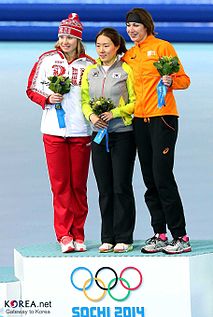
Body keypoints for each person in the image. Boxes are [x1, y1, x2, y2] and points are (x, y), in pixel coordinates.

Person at [123, 8, 191, 254]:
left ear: (146, 26)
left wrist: (172, 81)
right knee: (149, 179)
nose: (131, 30)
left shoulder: (163, 47)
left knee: (163, 177)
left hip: (163, 118)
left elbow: (184, 79)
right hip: (140, 121)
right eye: (128, 25)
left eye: (136, 25)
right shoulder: (129, 56)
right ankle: (159, 234)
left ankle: (180, 237)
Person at [26, 13, 95, 253]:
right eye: (62, 36)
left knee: (79, 186)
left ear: (78, 39)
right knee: (60, 185)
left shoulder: (89, 64)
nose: (65, 41)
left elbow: (97, 93)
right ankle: (64, 235)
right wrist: (47, 98)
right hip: (53, 131)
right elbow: (31, 88)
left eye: (70, 37)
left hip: (81, 131)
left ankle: (79, 233)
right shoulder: (46, 60)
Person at [81, 27, 136, 253]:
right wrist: (92, 116)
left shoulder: (126, 70)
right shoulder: (90, 72)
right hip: (98, 135)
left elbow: (136, 101)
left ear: (116, 47)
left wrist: (115, 113)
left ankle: (124, 237)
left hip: (122, 135)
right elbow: (84, 101)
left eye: (106, 46)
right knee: (104, 188)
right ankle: (107, 237)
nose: (101, 50)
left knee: (121, 186)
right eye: (98, 46)